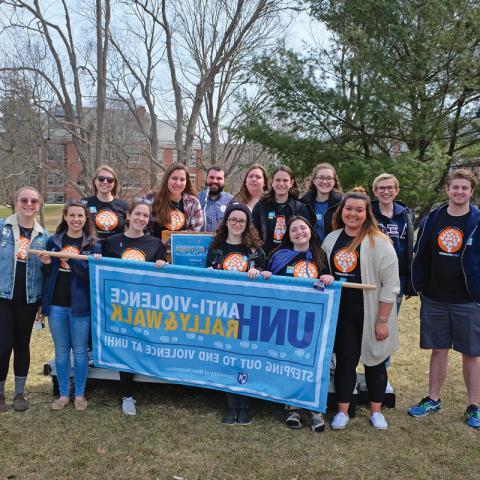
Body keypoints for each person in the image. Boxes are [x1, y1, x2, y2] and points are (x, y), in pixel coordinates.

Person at [408, 169, 480, 430]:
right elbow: (421, 252)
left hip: (468, 298)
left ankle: (474, 406)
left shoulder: (478, 220)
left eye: (464, 188)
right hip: (435, 297)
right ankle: (433, 399)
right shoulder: (433, 218)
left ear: (471, 191)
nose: (459, 192)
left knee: (471, 353)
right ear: (447, 190)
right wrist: (420, 284)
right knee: (438, 350)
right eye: (455, 187)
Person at [322, 189, 400, 430]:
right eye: (348, 209)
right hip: (343, 314)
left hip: (372, 313)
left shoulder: (380, 242)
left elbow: (391, 285)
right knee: (345, 361)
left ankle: (376, 411)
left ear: (367, 214)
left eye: (359, 210)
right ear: (341, 211)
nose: (353, 214)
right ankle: (343, 411)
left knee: (375, 361)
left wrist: (382, 320)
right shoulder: (331, 239)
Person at [268, 216, 334, 432]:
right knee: (289, 361)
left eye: (303, 228)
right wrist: (266, 276)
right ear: (288, 234)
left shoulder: (319, 255)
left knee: (311, 362)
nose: (299, 232)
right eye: (294, 230)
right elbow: (269, 286)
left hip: (313, 319)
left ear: (310, 231)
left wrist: (328, 279)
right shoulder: (278, 256)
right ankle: (292, 407)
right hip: (286, 317)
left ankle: (315, 410)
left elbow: (328, 279)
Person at [206, 202, 270, 425]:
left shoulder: (255, 250)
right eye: (232, 220)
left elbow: (267, 277)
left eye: (241, 221)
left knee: (246, 358)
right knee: (227, 358)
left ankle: (246, 406)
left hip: (248, 311)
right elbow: (208, 280)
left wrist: (258, 272)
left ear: (247, 224)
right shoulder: (216, 248)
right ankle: (232, 405)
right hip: (224, 311)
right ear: (226, 222)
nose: (236, 224)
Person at [103, 199, 167, 415]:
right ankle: (127, 395)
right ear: (128, 216)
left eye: (145, 216)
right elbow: (105, 273)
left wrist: (162, 267)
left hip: (146, 306)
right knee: (125, 348)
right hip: (120, 306)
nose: (141, 219)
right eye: (137, 214)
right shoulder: (111, 242)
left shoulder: (156, 244)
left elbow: (161, 280)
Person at [38, 200, 101, 412]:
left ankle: (80, 394)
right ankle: (64, 393)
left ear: (85, 219)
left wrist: (72, 259)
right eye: (72, 215)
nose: (75, 219)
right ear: (65, 217)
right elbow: (48, 276)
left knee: (81, 352)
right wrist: (47, 264)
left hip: (80, 307)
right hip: (57, 305)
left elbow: (89, 275)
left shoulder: (93, 245)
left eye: (80, 216)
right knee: (62, 352)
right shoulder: (54, 241)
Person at [0, 187, 48, 413]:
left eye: (34, 201)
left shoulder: (43, 236)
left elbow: (46, 272)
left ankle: (19, 393)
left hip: (28, 299)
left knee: (21, 345)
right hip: (2, 296)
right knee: (2, 346)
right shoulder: (2, 228)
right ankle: (0, 394)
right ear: (16, 201)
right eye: (24, 200)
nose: (29, 204)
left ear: (39, 204)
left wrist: (41, 302)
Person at [371, 173, 415, 313]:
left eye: (390, 188)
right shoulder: (367, 213)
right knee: (370, 316)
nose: (386, 191)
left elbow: (408, 246)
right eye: (381, 188)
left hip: (397, 275)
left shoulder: (406, 214)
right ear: (375, 191)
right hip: (372, 273)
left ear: (396, 190)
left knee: (389, 318)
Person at [252, 165, 316, 256]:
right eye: (278, 180)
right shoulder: (261, 207)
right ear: (272, 182)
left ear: (291, 182)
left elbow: (308, 238)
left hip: (291, 259)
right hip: (265, 259)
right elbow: (253, 233)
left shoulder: (300, 208)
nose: (281, 184)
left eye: (285, 180)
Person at [145, 162, 203, 238]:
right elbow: (142, 225)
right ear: (167, 179)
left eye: (182, 179)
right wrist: (156, 244)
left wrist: (173, 241)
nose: (178, 183)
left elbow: (195, 230)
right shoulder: (152, 197)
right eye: (174, 178)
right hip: (154, 247)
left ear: (186, 182)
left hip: (182, 247)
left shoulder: (193, 202)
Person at [300, 163, 343, 243]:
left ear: (334, 182)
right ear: (314, 181)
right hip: (312, 251)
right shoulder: (303, 204)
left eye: (329, 178)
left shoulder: (342, 203)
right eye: (321, 178)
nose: (325, 181)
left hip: (335, 250)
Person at [84, 165, 128, 242]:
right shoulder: (84, 203)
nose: (105, 181)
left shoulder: (124, 205)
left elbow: (128, 232)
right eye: (101, 179)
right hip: (91, 249)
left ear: (114, 183)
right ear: (95, 181)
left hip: (115, 250)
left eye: (110, 180)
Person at [197, 166, 233, 231]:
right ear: (206, 178)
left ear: (224, 181)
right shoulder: (196, 199)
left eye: (219, 178)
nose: (215, 181)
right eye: (211, 177)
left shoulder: (231, 201)